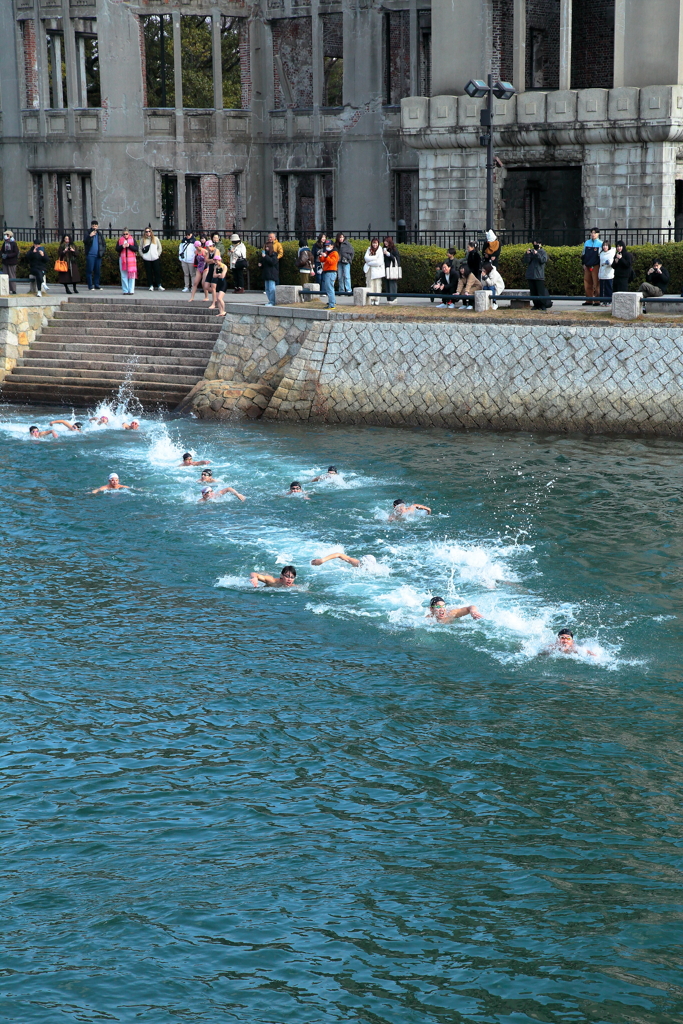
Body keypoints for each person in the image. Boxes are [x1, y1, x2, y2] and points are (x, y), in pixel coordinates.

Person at [523, 241, 552, 311]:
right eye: (534, 244)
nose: (535, 245)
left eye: (537, 244)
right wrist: (527, 254)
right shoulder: (531, 252)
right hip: (531, 274)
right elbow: (526, 261)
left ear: (540, 244)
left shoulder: (542, 252)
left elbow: (543, 260)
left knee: (540, 291)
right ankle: (536, 304)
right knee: (533, 291)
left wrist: (537, 254)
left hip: (539, 275)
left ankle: (542, 304)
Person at [581, 227, 602, 305]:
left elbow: (601, 256)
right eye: (592, 233)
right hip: (587, 265)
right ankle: (589, 299)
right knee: (587, 282)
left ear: (598, 234)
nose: (593, 234)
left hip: (596, 265)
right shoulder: (587, 243)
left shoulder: (600, 243)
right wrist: (583, 263)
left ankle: (597, 300)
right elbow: (583, 254)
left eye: (595, 233)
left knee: (596, 283)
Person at [84, 220, 105, 291]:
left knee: (97, 271)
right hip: (90, 255)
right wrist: (90, 236)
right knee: (89, 270)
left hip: (98, 255)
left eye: (96, 226)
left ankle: (96, 285)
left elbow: (103, 244)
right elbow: (85, 242)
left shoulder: (99, 234)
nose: (94, 227)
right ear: (91, 226)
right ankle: (90, 286)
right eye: (93, 226)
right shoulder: (88, 233)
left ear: (97, 226)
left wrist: (102, 252)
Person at [363, 238, 385, 306]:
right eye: (373, 243)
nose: (374, 245)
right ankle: (371, 299)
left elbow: (379, 262)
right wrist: (375, 258)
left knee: (377, 285)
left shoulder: (380, 250)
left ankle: (377, 299)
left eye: (376, 243)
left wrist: (370, 262)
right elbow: (366, 258)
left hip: (377, 271)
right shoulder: (369, 249)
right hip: (369, 271)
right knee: (370, 285)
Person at [116, 229, 138, 294]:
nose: (125, 235)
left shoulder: (133, 239)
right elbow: (117, 249)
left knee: (131, 275)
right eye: (124, 234)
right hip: (123, 260)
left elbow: (136, 248)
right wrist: (122, 246)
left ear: (129, 234)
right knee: (123, 275)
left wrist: (129, 246)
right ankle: (125, 290)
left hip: (131, 260)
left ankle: (131, 290)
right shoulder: (120, 240)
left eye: (127, 234)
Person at [320, 241, 339, 309]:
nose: (327, 247)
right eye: (326, 246)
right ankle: (332, 301)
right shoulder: (328, 252)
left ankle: (332, 304)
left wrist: (326, 256)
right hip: (327, 272)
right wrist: (321, 256)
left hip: (331, 272)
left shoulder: (335, 253)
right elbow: (322, 260)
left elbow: (332, 262)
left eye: (328, 245)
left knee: (329, 288)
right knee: (330, 288)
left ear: (332, 246)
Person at [1, 229, 20, 295]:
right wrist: (2, 255)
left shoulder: (13, 243)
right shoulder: (5, 243)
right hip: (5, 262)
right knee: (5, 275)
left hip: (12, 262)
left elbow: (16, 252)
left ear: (10, 236)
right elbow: (2, 250)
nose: (5, 236)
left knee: (12, 275)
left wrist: (8, 255)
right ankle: (6, 289)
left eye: (7, 235)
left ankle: (13, 289)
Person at [383, 236, 401, 303]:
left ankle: (393, 298)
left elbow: (396, 259)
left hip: (392, 269)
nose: (385, 243)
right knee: (387, 283)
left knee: (392, 283)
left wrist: (388, 254)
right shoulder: (384, 249)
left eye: (387, 241)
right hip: (386, 268)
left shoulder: (394, 249)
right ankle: (389, 298)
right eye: (385, 241)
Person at [598, 240, 616, 306]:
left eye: (606, 245)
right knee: (602, 287)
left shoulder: (611, 253)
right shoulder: (601, 253)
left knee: (608, 287)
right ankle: (602, 301)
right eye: (604, 245)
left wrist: (608, 263)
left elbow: (612, 262)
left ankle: (609, 301)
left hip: (609, 272)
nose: (605, 247)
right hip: (602, 272)